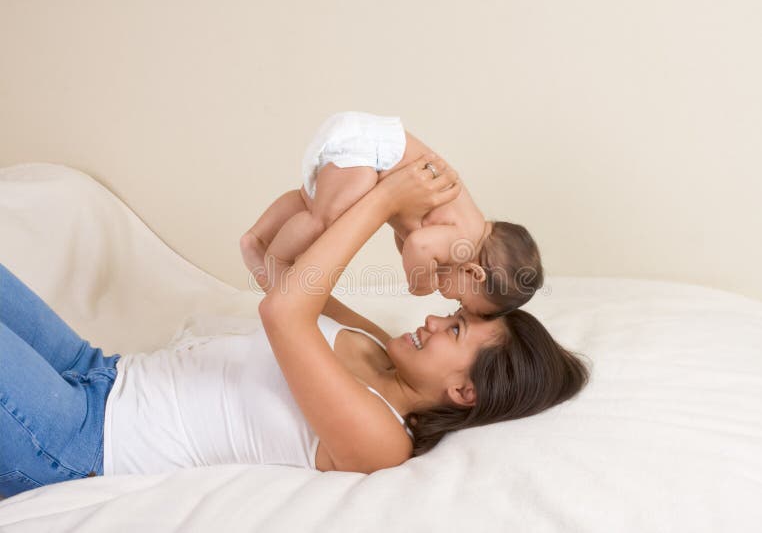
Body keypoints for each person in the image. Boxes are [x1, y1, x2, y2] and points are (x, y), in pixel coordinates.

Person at [0, 153, 589, 499]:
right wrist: (373, 202)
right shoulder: (375, 345)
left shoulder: (382, 440)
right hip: (100, 371)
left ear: (465, 391)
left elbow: (284, 315)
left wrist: (386, 200)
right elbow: (290, 288)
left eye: (455, 331)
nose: (434, 319)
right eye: (454, 315)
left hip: (81, 439)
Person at [240, 111, 545, 318]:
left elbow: (407, 237)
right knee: (325, 222)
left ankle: (256, 238)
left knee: (311, 203)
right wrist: (421, 283)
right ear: (475, 274)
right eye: (460, 299)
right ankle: (275, 261)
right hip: (371, 151)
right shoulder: (464, 237)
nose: (449, 298)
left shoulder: (466, 226)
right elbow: (418, 246)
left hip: (366, 142)